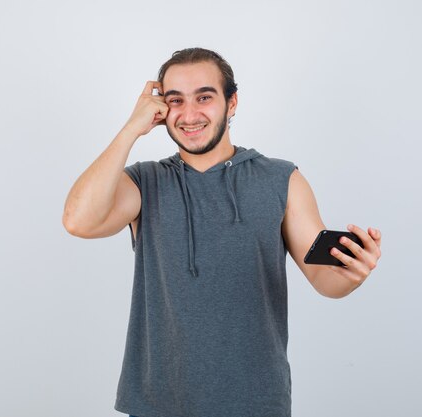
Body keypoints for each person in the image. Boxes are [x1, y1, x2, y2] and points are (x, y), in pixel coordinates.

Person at [62, 47, 382, 417]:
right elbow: (78, 221)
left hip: (256, 404)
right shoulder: (144, 183)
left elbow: (325, 279)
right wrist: (131, 128)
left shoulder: (282, 179)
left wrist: (353, 273)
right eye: (175, 100)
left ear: (232, 103)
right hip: (157, 405)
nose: (190, 114)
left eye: (204, 97)